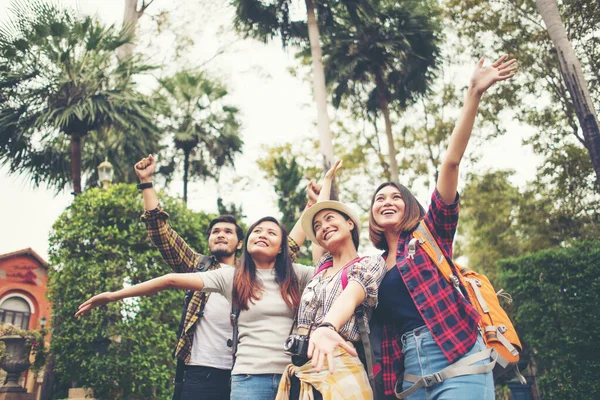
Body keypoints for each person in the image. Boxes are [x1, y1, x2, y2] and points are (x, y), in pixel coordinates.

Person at [369, 55, 517, 399]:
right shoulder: (372, 269)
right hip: (408, 375)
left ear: (410, 207)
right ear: (372, 215)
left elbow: (450, 163)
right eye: (379, 199)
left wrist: (474, 94)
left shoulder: (429, 235)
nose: (387, 201)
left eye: (396, 196)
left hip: (459, 354)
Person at [76, 213, 315, 400]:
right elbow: (169, 279)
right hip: (239, 376)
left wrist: (315, 205)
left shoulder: (294, 276)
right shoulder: (229, 276)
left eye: (271, 232)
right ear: (247, 242)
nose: (263, 234)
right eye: (258, 230)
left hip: (290, 376)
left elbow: (327, 266)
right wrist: (112, 296)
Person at [133, 154, 305, 400]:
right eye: (215, 231)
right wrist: (147, 183)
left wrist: (311, 207)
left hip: (248, 372)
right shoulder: (197, 267)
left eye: (227, 231)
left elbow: (289, 245)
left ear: (240, 243)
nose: (220, 235)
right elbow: (162, 235)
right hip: (202, 371)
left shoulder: (256, 270)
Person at [276, 161, 387, 400]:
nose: (323, 227)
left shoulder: (369, 263)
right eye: (317, 226)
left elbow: (352, 294)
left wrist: (327, 327)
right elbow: (320, 231)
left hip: (340, 365)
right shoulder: (321, 268)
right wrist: (326, 184)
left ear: (350, 223)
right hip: (303, 370)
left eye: (330, 219)